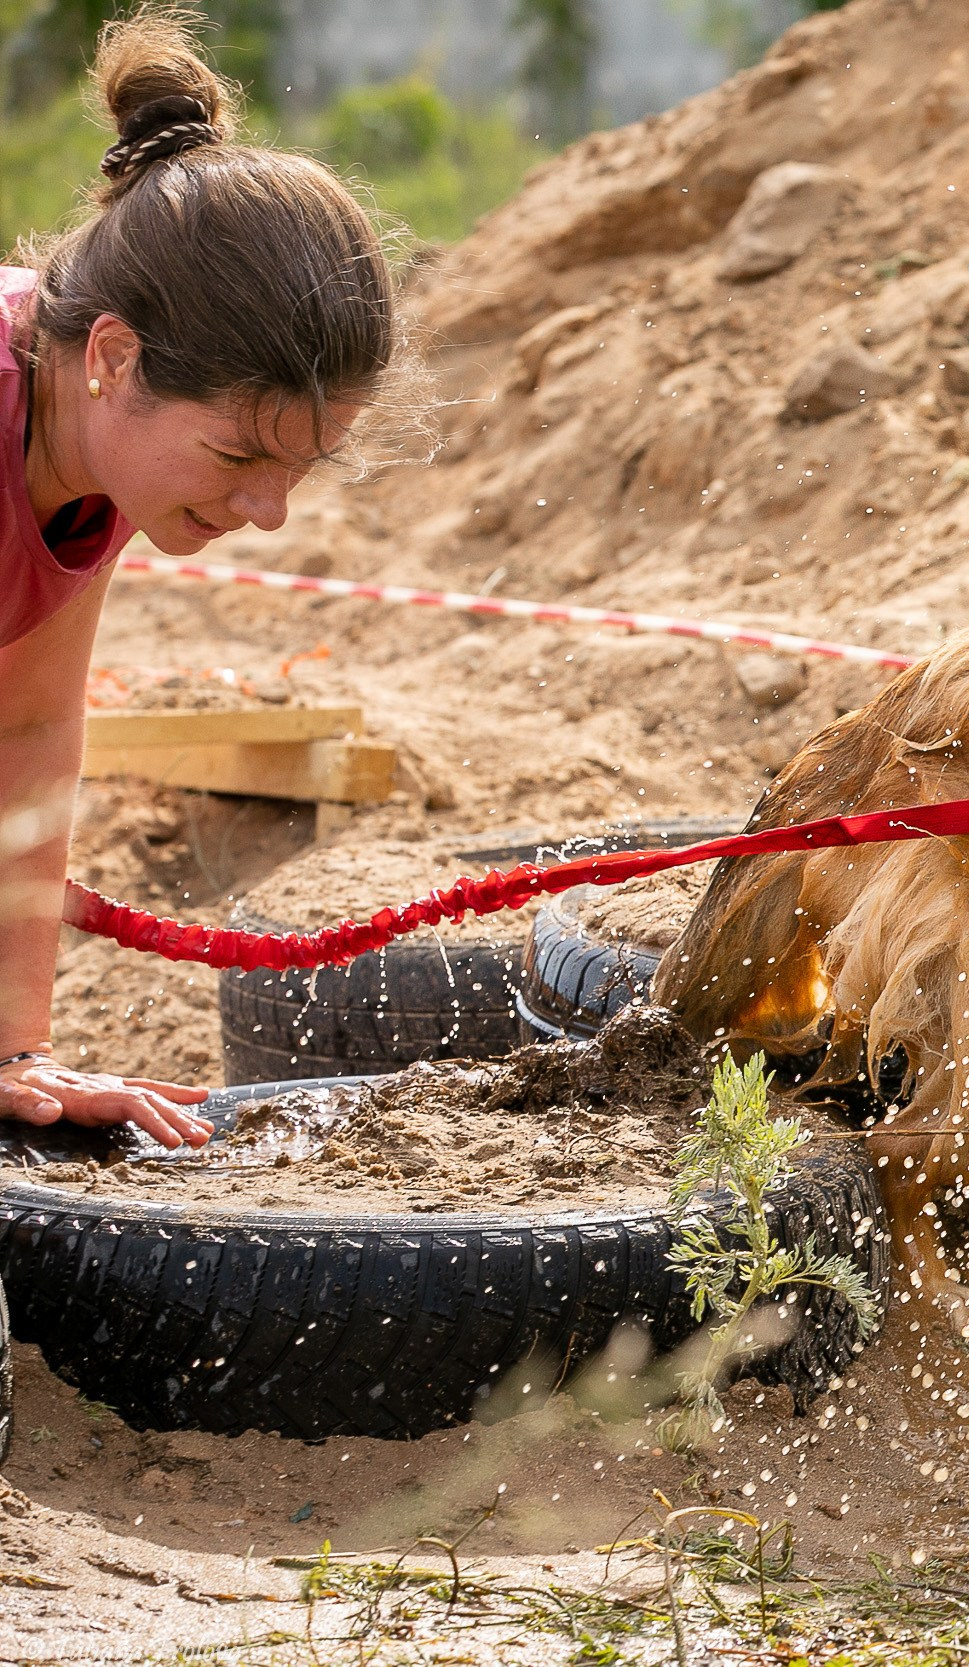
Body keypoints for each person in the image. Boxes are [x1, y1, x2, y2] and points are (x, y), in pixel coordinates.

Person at [0, 10, 397, 1148]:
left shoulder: (87, 443)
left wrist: (15, 1054)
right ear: (114, 357)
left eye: (297, 469)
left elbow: (27, 728)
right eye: (237, 457)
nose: (267, 512)